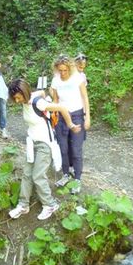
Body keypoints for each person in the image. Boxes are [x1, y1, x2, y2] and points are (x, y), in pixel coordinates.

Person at [7, 79, 81, 220]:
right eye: (14, 98)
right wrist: (35, 96)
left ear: (24, 92)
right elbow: (41, 92)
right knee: (27, 174)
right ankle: (23, 205)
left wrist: (71, 125)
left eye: (18, 97)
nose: (17, 101)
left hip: (44, 144)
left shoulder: (39, 103)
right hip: (32, 143)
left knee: (38, 175)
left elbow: (62, 108)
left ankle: (50, 204)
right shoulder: (30, 99)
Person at [50, 56, 91, 194]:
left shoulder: (77, 78)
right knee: (63, 148)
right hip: (61, 116)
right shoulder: (56, 80)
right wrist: (53, 117)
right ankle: (66, 174)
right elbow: (55, 100)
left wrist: (87, 117)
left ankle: (77, 179)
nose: (62, 73)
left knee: (76, 149)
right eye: (60, 70)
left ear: (70, 68)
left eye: (65, 70)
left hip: (77, 115)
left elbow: (85, 98)